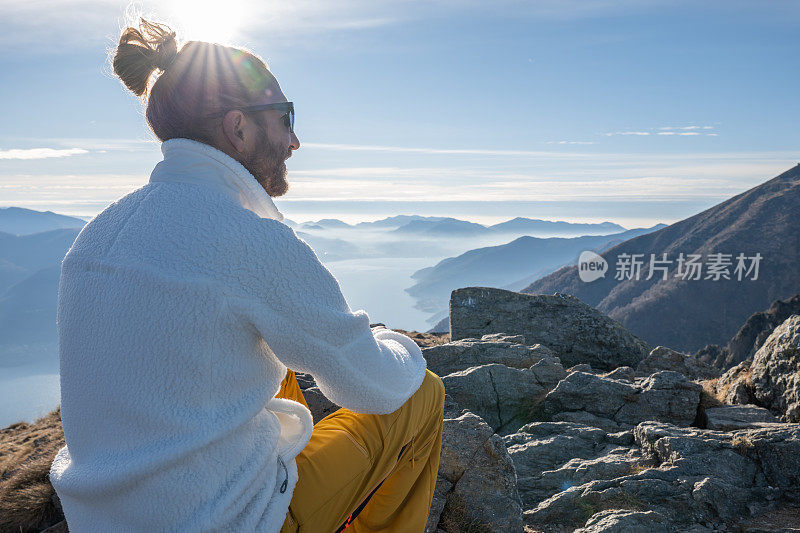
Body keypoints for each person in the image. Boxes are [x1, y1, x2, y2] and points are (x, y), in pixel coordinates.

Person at [49, 17, 445, 532]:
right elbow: (372, 385)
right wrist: (397, 344)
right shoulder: (245, 240)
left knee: (273, 365)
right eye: (285, 118)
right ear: (238, 128)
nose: (295, 140)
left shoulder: (95, 236)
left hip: (102, 517)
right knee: (423, 396)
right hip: (227, 520)